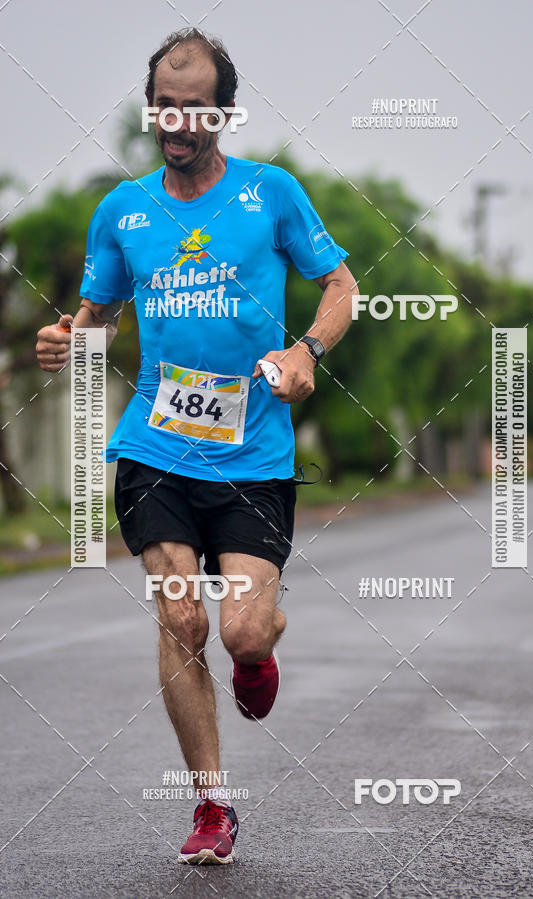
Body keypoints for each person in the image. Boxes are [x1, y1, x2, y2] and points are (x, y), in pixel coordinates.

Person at [36, 27, 356, 866]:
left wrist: (304, 353)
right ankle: (214, 806)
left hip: (253, 451)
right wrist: (66, 336)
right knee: (181, 615)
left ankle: (257, 655)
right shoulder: (123, 211)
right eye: (163, 105)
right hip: (156, 446)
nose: (175, 122)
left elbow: (339, 285)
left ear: (223, 110)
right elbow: (97, 315)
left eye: (194, 107)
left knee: (243, 631)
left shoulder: (271, 193)